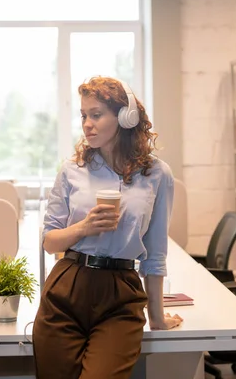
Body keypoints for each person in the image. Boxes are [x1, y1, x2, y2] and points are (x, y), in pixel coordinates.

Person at [33, 76, 183, 379]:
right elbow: (50, 241)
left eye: (96, 114)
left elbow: (155, 254)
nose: (87, 124)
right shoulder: (72, 170)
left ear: (125, 117)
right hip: (67, 287)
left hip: (121, 292)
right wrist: (83, 228)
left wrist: (157, 318)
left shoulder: (156, 174)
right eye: (83, 115)